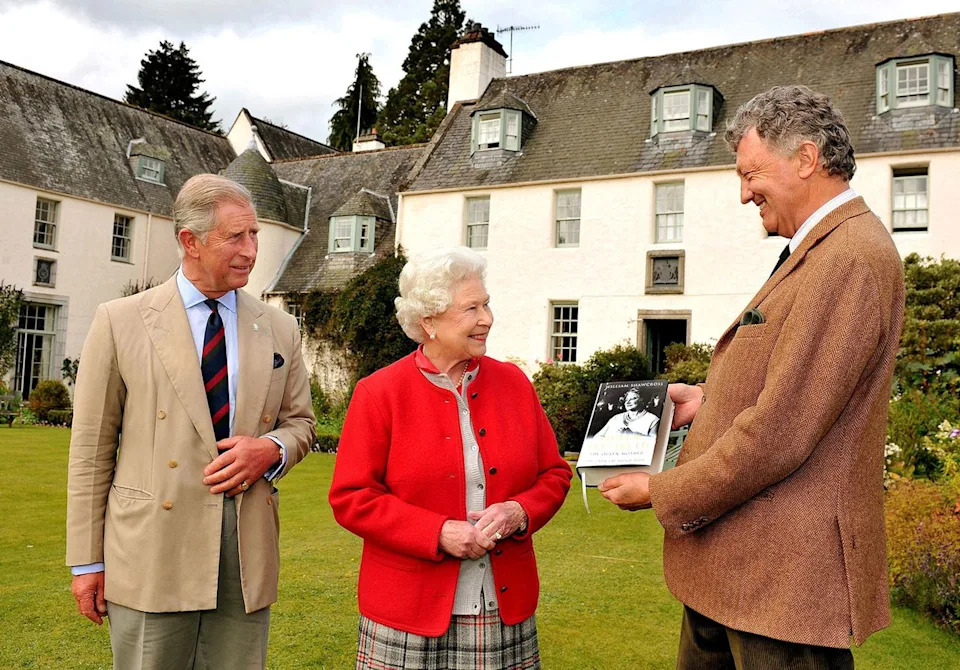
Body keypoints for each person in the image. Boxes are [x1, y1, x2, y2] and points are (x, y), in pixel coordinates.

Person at [598, 85, 904, 668]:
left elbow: (779, 434)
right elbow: (799, 388)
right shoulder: (819, 250)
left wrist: (661, 491)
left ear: (806, 160)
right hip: (738, 579)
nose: (744, 195)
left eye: (751, 174)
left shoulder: (849, 260)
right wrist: (709, 400)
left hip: (783, 586)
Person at [66, 174, 316, 669]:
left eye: (255, 236)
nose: (252, 250)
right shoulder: (120, 320)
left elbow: (302, 424)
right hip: (151, 551)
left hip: (243, 552)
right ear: (190, 242)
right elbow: (91, 450)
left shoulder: (280, 327)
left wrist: (272, 450)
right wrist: (87, 562)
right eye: (237, 237)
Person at [329, 247, 572, 670]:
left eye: (487, 303)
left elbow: (553, 473)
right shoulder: (379, 393)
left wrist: (519, 511)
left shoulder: (513, 382)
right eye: (471, 308)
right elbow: (352, 497)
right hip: (406, 614)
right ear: (429, 322)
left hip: (502, 607)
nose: (487, 319)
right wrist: (437, 532)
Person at [595, 387, 660, 437]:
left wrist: (632, 434)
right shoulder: (616, 418)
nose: (628, 402)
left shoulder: (652, 419)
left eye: (632, 399)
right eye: (626, 400)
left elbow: (654, 441)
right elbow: (597, 437)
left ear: (642, 400)